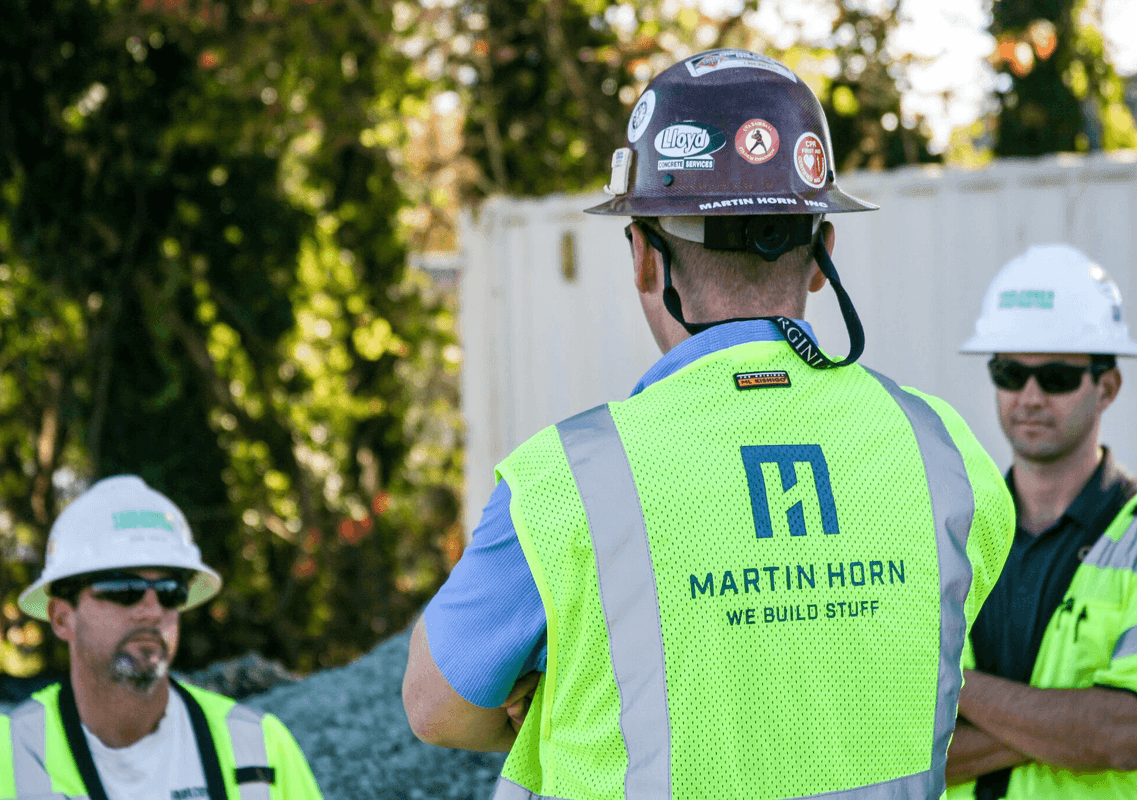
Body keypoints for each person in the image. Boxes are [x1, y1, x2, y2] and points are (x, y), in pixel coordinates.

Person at [402, 48, 1015, 799]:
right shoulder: (946, 455)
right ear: (823, 253)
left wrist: (542, 700)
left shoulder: (567, 483)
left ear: (642, 256)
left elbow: (435, 707)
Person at [0, 475, 322, 800]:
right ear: (61, 617)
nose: (152, 611)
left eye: (171, 591)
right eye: (123, 589)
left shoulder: (260, 750)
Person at [947, 244, 1137, 798]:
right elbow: (896, 744)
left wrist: (951, 688)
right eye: (1009, 372)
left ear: (1107, 386)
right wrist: (1072, 728)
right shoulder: (951, 533)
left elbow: (1122, 735)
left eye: (1055, 376)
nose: (1029, 397)